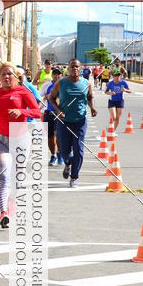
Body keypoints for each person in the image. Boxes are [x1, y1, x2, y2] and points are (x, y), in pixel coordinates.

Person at [0, 62, 42, 227]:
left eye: (10, 74)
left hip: (20, 138)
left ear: (16, 76)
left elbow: (37, 112)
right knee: (3, 176)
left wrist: (22, 112)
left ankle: (12, 202)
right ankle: (3, 212)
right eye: (3, 74)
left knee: (17, 178)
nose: (7, 77)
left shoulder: (23, 91)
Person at [49, 58, 97, 188]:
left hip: (79, 122)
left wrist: (92, 107)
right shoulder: (61, 83)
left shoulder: (86, 83)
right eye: (72, 66)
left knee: (79, 150)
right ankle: (68, 163)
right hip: (63, 122)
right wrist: (58, 110)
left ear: (81, 68)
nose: (75, 69)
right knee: (64, 151)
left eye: (77, 66)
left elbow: (90, 97)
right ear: (68, 68)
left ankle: (74, 177)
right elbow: (51, 98)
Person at [40, 67, 64, 165]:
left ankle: (60, 153)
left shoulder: (64, 85)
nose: (56, 75)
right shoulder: (47, 85)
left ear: (61, 75)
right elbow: (40, 97)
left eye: (58, 73)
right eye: (54, 73)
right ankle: (53, 155)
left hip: (59, 114)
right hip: (48, 113)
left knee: (58, 134)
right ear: (52, 75)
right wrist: (45, 97)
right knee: (50, 137)